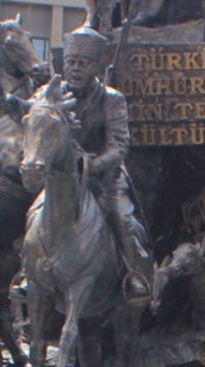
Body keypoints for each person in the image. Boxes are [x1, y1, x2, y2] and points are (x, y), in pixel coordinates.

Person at [56, 25, 153, 303]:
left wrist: (91, 165)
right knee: (32, 213)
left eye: (82, 64)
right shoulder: (54, 95)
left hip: (104, 176)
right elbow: (35, 117)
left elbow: (119, 147)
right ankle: (27, 273)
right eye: (70, 62)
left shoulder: (112, 99)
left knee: (123, 219)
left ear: (96, 68)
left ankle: (135, 274)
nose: (74, 69)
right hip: (65, 177)